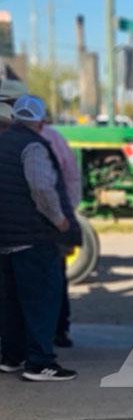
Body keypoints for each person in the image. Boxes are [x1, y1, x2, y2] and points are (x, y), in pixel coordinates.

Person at [0, 95, 79, 381]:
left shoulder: (3, 142)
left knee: (11, 302)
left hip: (6, 238)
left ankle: (12, 357)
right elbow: (42, 188)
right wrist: (60, 220)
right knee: (41, 302)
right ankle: (40, 362)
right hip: (33, 237)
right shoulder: (33, 146)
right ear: (41, 122)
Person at [41, 115, 82, 349]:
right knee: (56, 276)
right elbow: (72, 178)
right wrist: (66, 213)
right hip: (55, 220)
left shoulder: (47, 139)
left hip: (42, 221)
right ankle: (59, 330)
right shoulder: (55, 138)